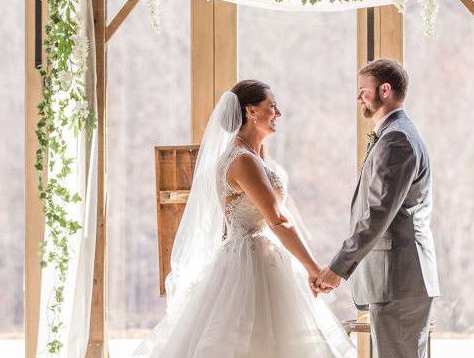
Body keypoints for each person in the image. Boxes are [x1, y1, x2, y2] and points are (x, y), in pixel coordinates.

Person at [133, 79, 355, 358]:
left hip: (263, 256)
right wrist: (314, 269)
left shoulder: (254, 155)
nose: (279, 114)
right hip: (249, 265)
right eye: (272, 107)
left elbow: (280, 216)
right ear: (251, 111)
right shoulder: (242, 160)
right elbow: (277, 221)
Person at [313, 59, 440, 358]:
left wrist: (338, 268)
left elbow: (378, 216)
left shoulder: (397, 138)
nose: (358, 98)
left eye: (363, 91)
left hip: (400, 279)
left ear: (385, 90)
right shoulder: (395, 133)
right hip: (396, 280)